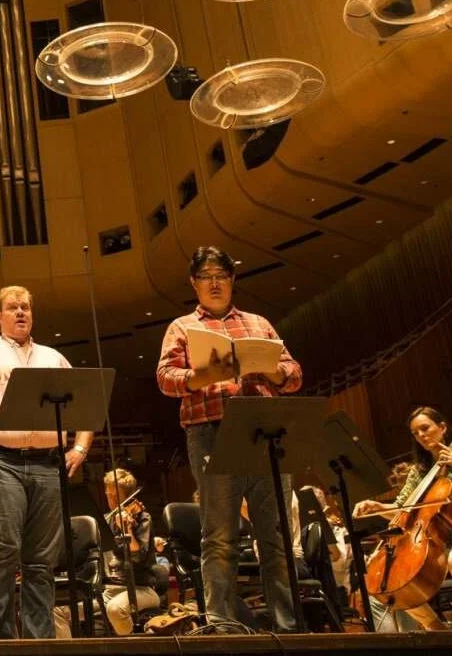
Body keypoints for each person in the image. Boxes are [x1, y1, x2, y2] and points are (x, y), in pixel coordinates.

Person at [156, 246, 302, 632]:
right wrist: (199, 377)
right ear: (194, 283)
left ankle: (288, 626)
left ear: (232, 279)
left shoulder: (257, 323)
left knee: (276, 535)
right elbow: (165, 378)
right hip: (211, 432)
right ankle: (222, 627)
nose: (215, 282)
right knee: (220, 537)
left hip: (264, 430)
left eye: (221, 275)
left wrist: (272, 372)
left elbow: (294, 373)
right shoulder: (182, 327)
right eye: (206, 276)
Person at [0, 285, 93, 639]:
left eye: (26, 308)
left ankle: (39, 642)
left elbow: (86, 404)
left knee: (42, 560)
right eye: (12, 307)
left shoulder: (53, 356)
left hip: (48, 465)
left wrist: (80, 448)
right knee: (3, 548)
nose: (20, 312)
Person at [351, 407, 452, 630]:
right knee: (388, 576)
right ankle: (435, 627)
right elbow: (404, 509)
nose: (421, 435)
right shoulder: (419, 471)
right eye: (415, 433)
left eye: (425, 428)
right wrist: (378, 506)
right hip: (436, 545)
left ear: (442, 428)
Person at [99, 469, 162, 635]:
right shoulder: (106, 520)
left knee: (115, 609)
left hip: (141, 589)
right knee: (61, 611)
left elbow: (138, 556)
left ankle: (132, 646)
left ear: (129, 496)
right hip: (109, 590)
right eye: (109, 495)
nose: (112, 501)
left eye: (116, 496)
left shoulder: (142, 518)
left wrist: (127, 529)